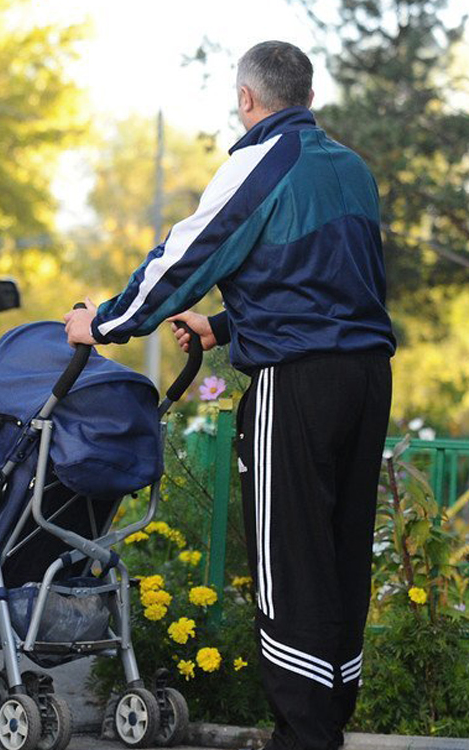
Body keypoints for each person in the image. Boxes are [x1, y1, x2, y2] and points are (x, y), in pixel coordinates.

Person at [63, 40, 395, 750]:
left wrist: (105, 324)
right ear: (308, 94)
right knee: (339, 551)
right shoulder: (352, 169)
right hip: (367, 376)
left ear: (248, 99)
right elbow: (327, 281)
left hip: (299, 381)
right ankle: (326, 721)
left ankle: (301, 735)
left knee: (290, 555)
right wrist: (220, 326)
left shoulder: (259, 160)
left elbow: (186, 254)